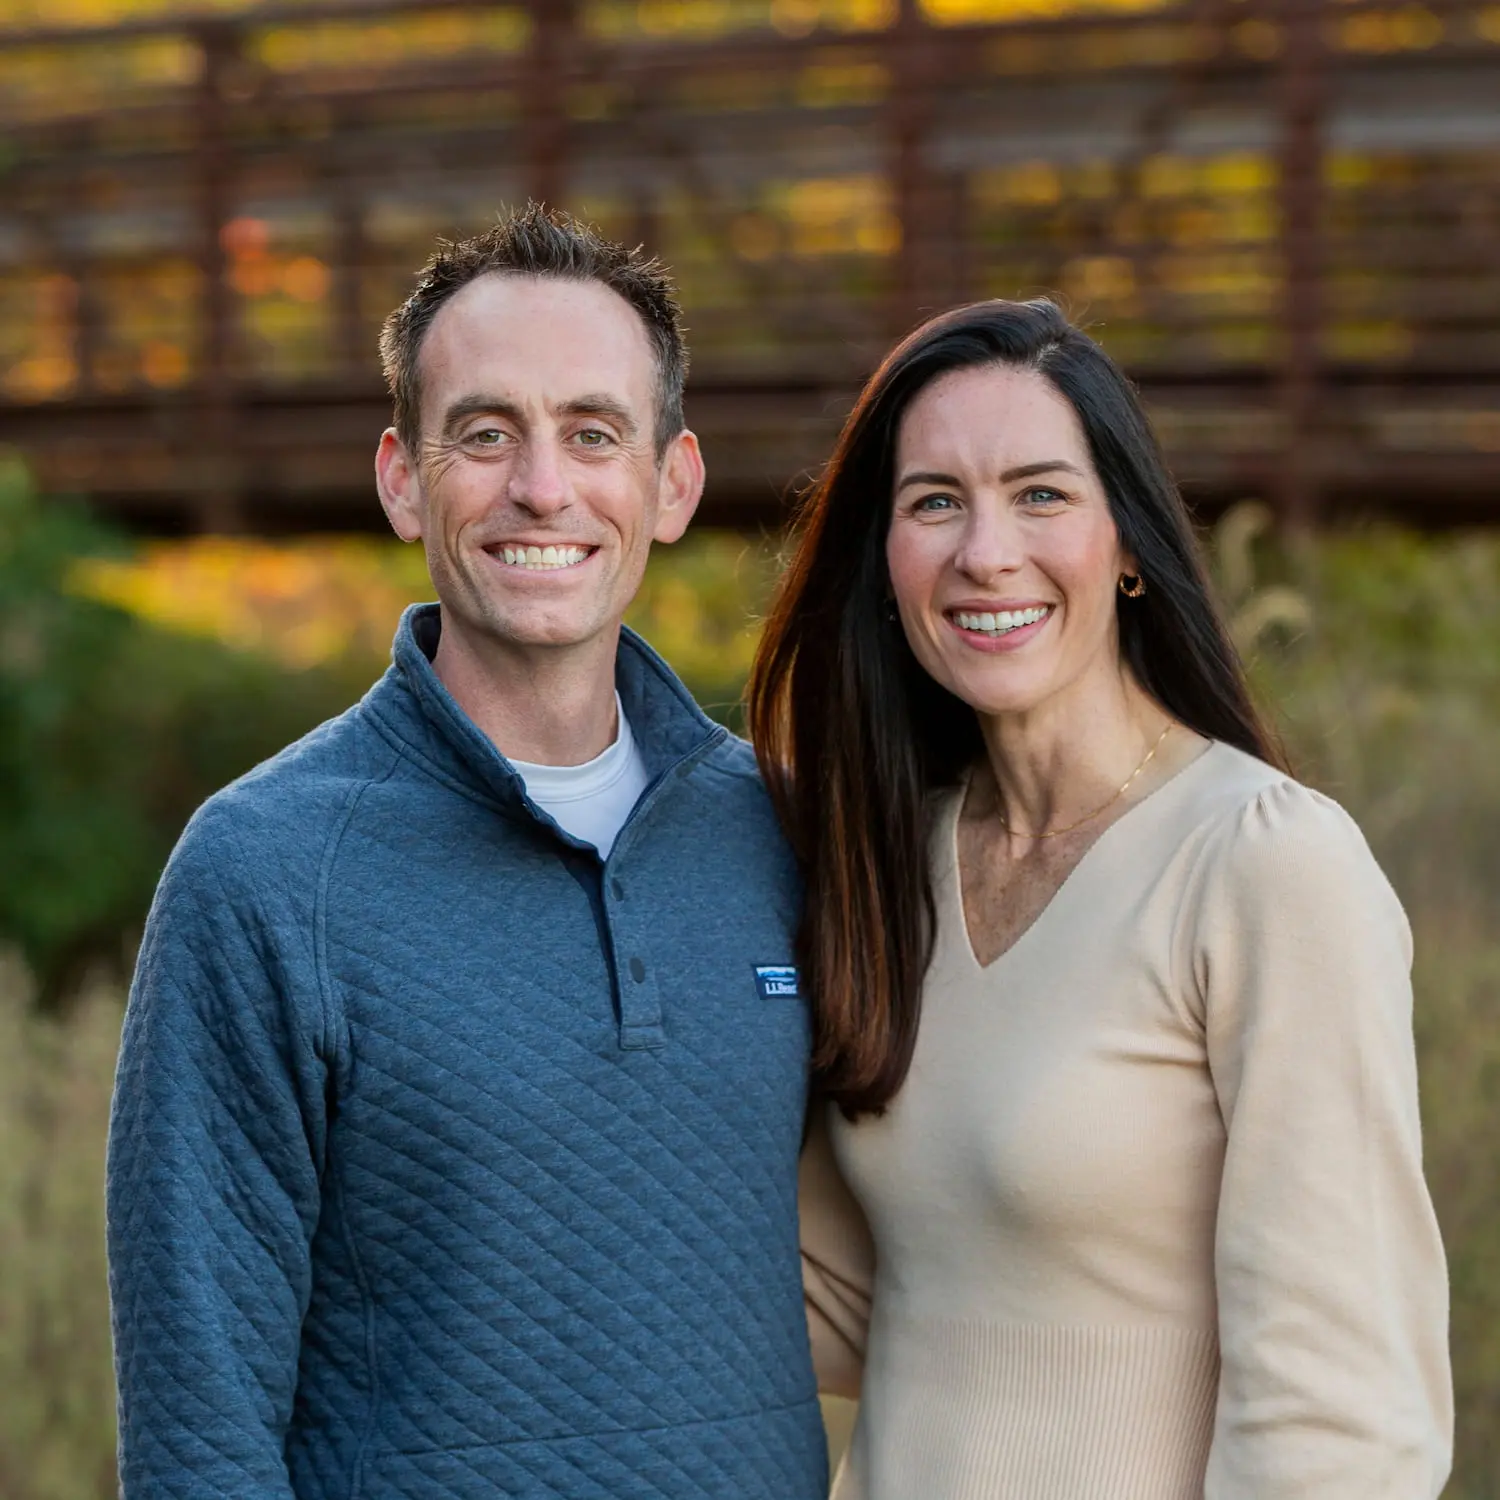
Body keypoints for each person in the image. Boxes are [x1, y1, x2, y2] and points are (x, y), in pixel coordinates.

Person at [105, 205, 828, 1500]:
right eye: (484, 434)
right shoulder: (264, 873)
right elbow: (199, 1424)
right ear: (400, 477)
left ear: (673, 485)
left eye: (593, 434)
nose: (542, 487)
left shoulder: (780, 835)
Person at [750, 298, 1453, 1498]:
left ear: (1128, 541)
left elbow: (1343, 1419)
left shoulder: (1263, 867)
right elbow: (836, 1297)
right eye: (934, 502)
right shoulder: (888, 864)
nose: (986, 552)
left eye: (1040, 493)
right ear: (884, 561)